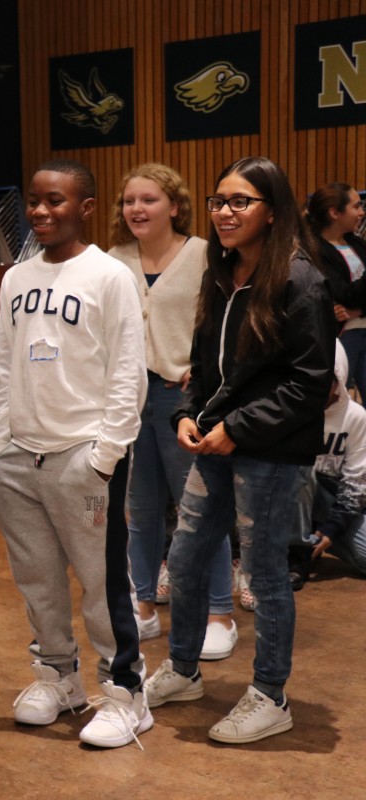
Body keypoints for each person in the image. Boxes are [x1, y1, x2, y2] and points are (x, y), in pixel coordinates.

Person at [144, 156, 336, 744]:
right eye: (219, 201)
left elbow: (309, 383)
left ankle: (271, 695)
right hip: (216, 442)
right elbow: (203, 364)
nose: (225, 212)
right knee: (185, 558)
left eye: (240, 202)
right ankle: (182, 669)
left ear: (272, 211)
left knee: (263, 573)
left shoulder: (301, 281)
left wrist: (240, 427)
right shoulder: (220, 272)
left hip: (270, 454)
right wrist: (185, 414)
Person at [0, 159, 150, 749]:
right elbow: (4, 362)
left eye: (55, 201)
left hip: (83, 454)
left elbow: (128, 373)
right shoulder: (16, 277)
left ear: (84, 207)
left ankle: (125, 694)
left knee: (101, 583)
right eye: (33, 200)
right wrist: (2, 440)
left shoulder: (109, 276)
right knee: (38, 581)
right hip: (19, 457)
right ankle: (58, 679)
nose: (40, 211)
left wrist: (104, 455)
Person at [106, 163, 238, 660]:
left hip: (182, 399)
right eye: (129, 201)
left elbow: (228, 321)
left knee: (199, 508)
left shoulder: (205, 255)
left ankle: (220, 611)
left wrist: (205, 370)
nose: (136, 209)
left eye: (149, 200)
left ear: (175, 206)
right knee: (138, 510)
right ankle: (142, 605)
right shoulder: (112, 260)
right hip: (126, 399)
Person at [305, 341, 366, 576]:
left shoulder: (356, 416)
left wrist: (331, 530)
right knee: (303, 471)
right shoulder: (293, 409)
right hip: (295, 503)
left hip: (335, 501)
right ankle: (299, 549)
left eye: (325, 381)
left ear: (337, 380)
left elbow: (356, 483)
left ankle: (318, 540)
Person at [305, 182, 366, 398]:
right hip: (341, 335)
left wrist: (359, 311)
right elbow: (344, 294)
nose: (361, 212)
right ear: (334, 213)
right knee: (338, 399)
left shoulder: (357, 244)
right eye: (356, 206)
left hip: (362, 324)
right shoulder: (314, 250)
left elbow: (351, 299)